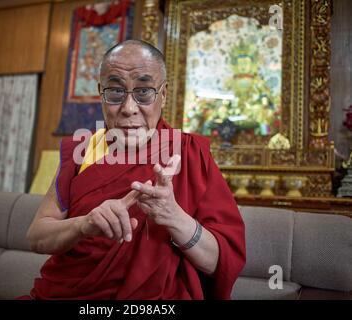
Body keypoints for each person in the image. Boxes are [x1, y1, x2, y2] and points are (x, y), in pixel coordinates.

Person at [21, 40, 246, 300]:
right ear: (100, 93)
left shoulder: (190, 154)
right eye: (116, 92)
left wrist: (174, 216)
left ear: (163, 94)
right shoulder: (81, 150)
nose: (129, 109)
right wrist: (83, 225)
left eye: (144, 92)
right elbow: (37, 237)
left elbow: (219, 263)